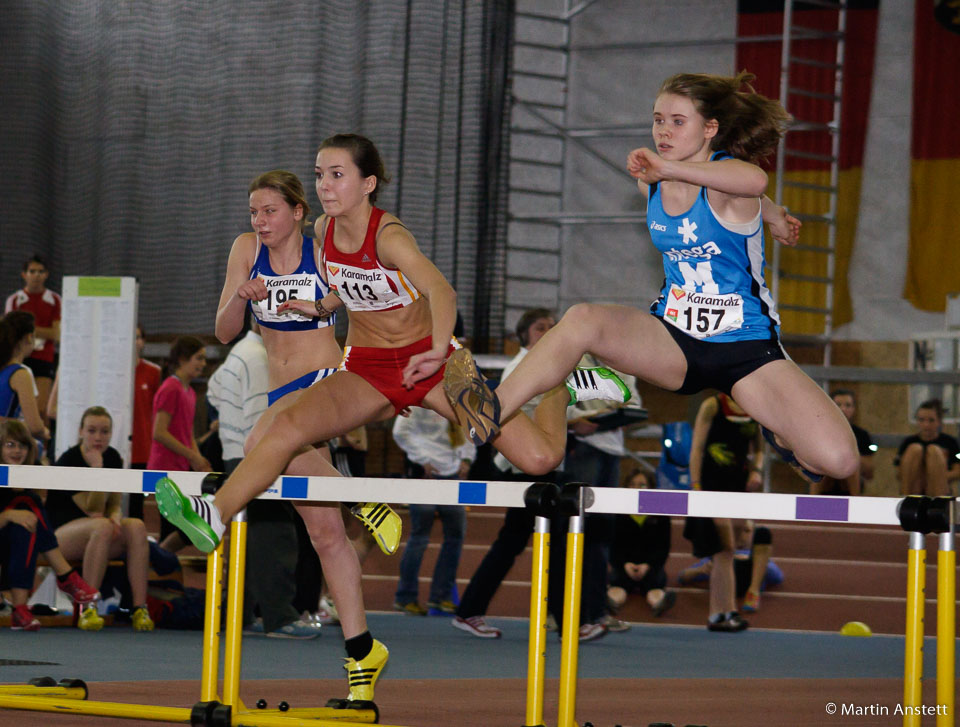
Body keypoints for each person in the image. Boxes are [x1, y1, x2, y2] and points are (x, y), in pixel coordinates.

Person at [155, 136, 622, 701]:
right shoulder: (324, 234)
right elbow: (346, 293)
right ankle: (216, 513)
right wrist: (320, 307)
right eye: (320, 175)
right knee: (282, 428)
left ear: (367, 183)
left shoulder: (390, 235)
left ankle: (560, 386)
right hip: (370, 367)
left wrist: (439, 345)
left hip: (435, 364)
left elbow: (440, 288)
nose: (325, 186)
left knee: (539, 459)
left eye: (336, 176)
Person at [443, 71, 858, 517]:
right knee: (583, 318)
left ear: (710, 129)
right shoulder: (653, 184)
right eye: (658, 119)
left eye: (678, 121)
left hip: (747, 353)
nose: (663, 131)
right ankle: (491, 408)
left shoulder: (722, 184)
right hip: (674, 340)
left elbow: (753, 182)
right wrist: (771, 216)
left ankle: (781, 434)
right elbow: (750, 193)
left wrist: (767, 212)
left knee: (837, 460)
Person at [452, 308, 556, 639]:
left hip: (531, 465)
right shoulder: (525, 367)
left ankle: (569, 616)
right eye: (541, 328)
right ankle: (572, 617)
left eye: (553, 328)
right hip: (522, 467)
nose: (549, 332)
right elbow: (508, 415)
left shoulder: (547, 364)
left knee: (519, 540)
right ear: (523, 334)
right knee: (523, 539)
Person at [47, 406, 153, 631]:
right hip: (59, 537)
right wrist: (97, 469)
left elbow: (113, 502)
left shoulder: (113, 456)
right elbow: (91, 507)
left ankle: (139, 608)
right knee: (101, 526)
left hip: (97, 533)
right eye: (92, 430)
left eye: (104, 432)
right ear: (81, 432)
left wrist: (115, 515)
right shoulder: (69, 460)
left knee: (136, 526)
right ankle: (89, 607)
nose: (98, 437)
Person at [0, 420, 99, 631]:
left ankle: (20, 610)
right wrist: (8, 515)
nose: (17, 451)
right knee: (29, 504)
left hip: (14, 541)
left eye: (22, 445)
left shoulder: (30, 474)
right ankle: (65, 575)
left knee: (26, 527)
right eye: (10, 445)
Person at [685, 392, 763, 631]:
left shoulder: (754, 407)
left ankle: (717, 614)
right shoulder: (713, 406)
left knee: (727, 553)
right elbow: (697, 448)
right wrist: (696, 486)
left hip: (739, 484)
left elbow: (760, 449)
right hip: (712, 484)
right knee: (725, 547)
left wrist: (756, 471)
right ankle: (728, 610)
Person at [391, 405, 473, 615]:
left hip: (452, 473)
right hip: (426, 474)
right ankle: (406, 596)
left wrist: (466, 459)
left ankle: (441, 596)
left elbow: (470, 431)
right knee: (420, 537)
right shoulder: (419, 403)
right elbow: (399, 432)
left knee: (455, 537)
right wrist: (422, 460)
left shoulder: (458, 401)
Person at [606, 469, 676, 620]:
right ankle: (610, 602)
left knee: (655, 586)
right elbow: (612, 545)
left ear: (650, 488)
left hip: (650, 567)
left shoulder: (661, 514)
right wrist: (624, 564)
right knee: (618, 585)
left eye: (642, 485)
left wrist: (648, 565)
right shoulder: (617, 513)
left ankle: (658, 603)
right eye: (632, 484)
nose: (636, 488)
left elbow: (663, 547)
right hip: (624, 566)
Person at [5, 255, 60, 425]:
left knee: (40, 407)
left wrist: (28, 328)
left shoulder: (54, 300)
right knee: (20, 404)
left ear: (46, 275)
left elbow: (56, 334)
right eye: (32, 271)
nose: (36, 275)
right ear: (24, 274)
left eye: (40, 271)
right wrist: (43, 331)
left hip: (43, 358)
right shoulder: (15, 300)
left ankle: (40, 442)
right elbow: (9, 332)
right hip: (20, 357)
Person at [812, 389, 875, 496]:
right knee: (821, 463)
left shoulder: (862, 435)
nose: (843, 409)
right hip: (826, 478)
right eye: (838, 405)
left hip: (850, 479)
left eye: (848, 405)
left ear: (854, 409)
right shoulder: (820, 432)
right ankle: (812, 506)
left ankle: (855, 506)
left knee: (850, 462)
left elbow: (870, 473)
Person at [0, 311, 50, 446]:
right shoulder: (20, 374)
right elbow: (35, 426)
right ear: (29, 337)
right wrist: (44, 431)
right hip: (5, 444)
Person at [896, 399, 960, 496]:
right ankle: (908, 500)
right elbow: (899, 473)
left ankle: (937, 504)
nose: (926, 425)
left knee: (934, 451)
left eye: (931, 420)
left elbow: (957, 471)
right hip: (914, 487)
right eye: (921, 420)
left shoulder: (950, 442)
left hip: (939, 487)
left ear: (939, 422)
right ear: (917, 421)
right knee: (915, 449)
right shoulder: (908, 442)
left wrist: (934, 473)